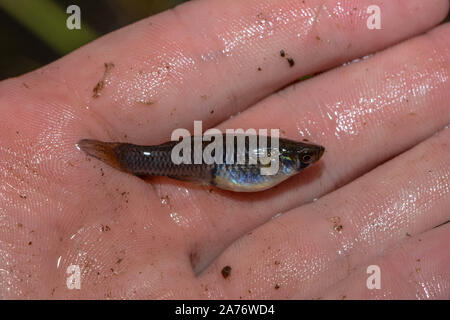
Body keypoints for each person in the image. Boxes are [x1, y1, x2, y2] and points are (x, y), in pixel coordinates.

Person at [0, 0, 448, 299]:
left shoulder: (279, 161)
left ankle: (130, 156)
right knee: (152, 157)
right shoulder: (277, 159)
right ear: (292, 159)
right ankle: (128, 157)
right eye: (306, 159)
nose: (309, 163)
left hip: (209, 168)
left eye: (307, 158)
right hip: (207, 167)